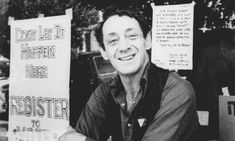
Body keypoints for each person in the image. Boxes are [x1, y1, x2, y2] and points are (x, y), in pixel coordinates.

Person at [59, 5, 199, 141]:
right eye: (113, 41)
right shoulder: (104, 93)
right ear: (104, 51)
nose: (123, 47)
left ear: (148, 40)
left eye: (132, 36)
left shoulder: (176, 91)